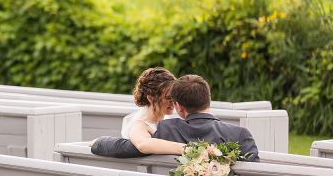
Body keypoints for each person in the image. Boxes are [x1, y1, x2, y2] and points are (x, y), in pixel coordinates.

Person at [92, 74, 260, 162]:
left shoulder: (163, 132)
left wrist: (97, 142)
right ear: (208, 99)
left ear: (179, 106)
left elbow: (127, 147)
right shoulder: (241, 135)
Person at [120, 67, 185, 155]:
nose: (174, 102)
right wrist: (187, 149)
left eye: (175, 97)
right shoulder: (139, 125)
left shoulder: (170, 120)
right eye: (169, 98)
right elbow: (143, 144)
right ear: (151, 98)